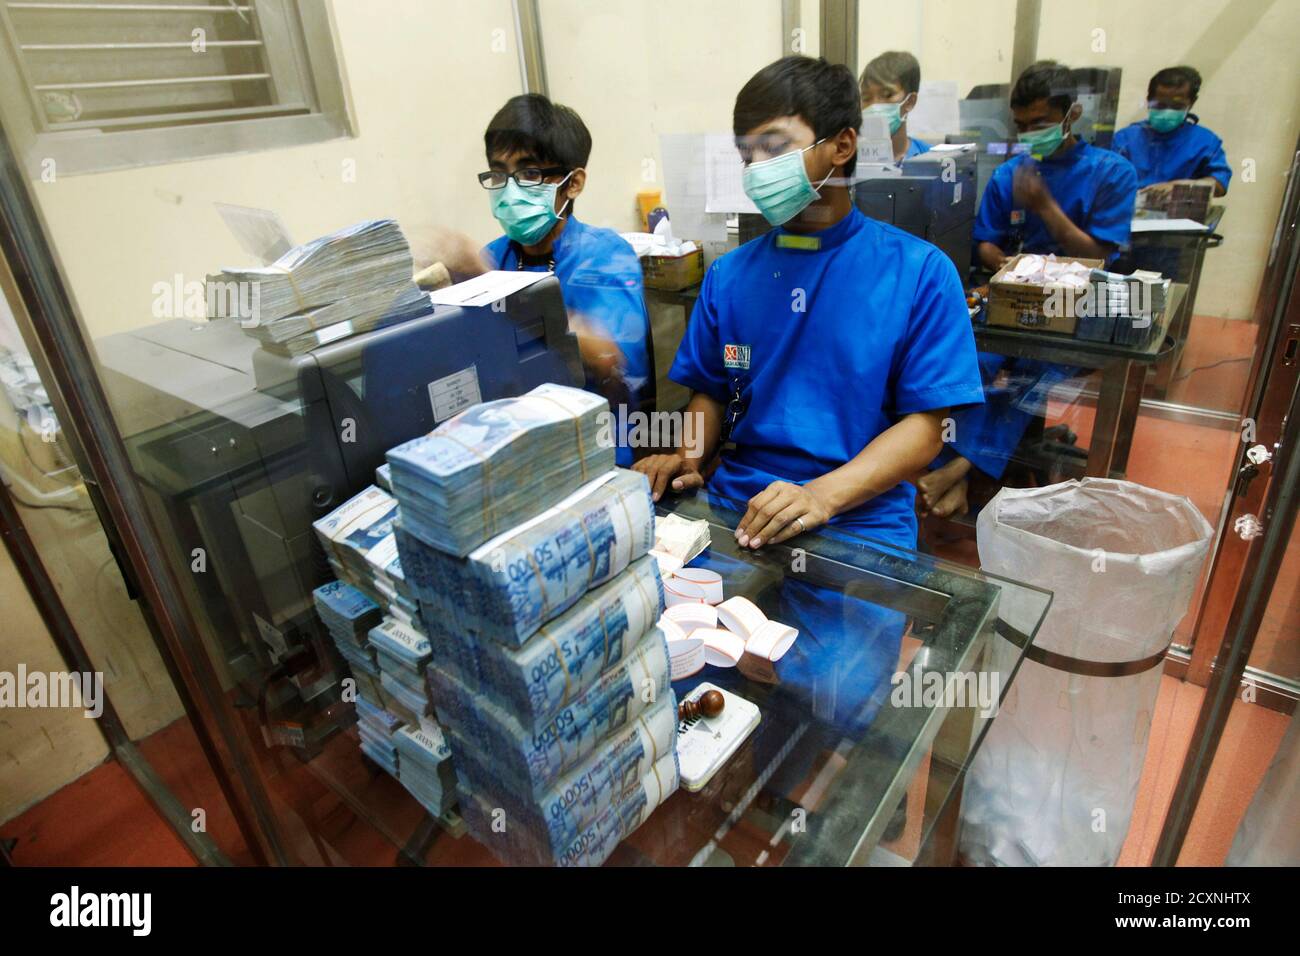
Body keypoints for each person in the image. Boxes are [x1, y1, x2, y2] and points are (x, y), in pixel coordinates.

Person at [920, 61, 1139, 518]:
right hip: (1012, 300)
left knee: (1028, 379)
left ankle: (960, 469)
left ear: (1071, 114)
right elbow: (985, 242)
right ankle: (954, 470)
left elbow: (1097, 253)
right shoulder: (1009, 175)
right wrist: (1002, 263)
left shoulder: (1111, 172)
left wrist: (1045, 205)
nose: (1028, 135)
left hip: (1075, 308)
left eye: (1039, 124)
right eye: (1021, 126)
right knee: (967, 366)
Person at [479, 94, 651, 467]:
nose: (510, 192)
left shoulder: (604, 255)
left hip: (594, 446)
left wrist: (492, 292)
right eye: (498, 174)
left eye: (529, 174)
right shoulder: (492, 257)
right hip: (509, 443)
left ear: (573, 183)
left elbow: (611, 360)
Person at [1112, 65, 1230, 200]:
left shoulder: (1205, 142)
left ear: (1191, 103)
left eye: (1176, 106)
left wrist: (1180, 187)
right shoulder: (1126, 139)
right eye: (1160, 105)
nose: (1167, 111)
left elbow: (1220, 184)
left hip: (1181, 217)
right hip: (1130, 215)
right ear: (1148, 100)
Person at [859, 50, 930, 163]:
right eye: (866, 98)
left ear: (910, 102)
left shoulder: (930, 158)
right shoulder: (847, 159)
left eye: (887, 95)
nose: (874, 105)